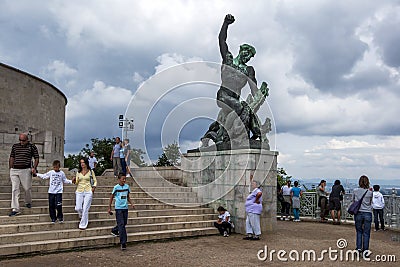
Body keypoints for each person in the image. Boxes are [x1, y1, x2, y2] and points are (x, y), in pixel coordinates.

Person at [201, 14, 268, 145]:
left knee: (230, 116)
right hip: (223, 96)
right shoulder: (228, 60)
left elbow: (255, 92)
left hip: (235, 100)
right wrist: (226, 23)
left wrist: (262, 94)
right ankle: (231, 138)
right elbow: (221, 40)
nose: (248, 57)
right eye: (247, 53)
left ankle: (209, 136)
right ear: (241, 50)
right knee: (239, 108)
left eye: (250, 56)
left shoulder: (249, 70)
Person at [8, 133, 39, 216]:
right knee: (15, 189)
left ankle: (28, 201)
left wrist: (34, 168)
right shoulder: (15, 146)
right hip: (14, 170)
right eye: (20, 140)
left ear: (27, 140)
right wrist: (11, 168)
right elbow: (12, 156)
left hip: (25, 170)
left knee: (27, 188)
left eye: (23, 140)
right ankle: (15, 208)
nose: (21, 142)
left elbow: (36, 157)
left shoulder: (32, 147)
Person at [108, 173, 135, 250]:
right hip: (118, 208)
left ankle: (114, 230)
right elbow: (111, 197)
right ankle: (123, 242)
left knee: (124, 223)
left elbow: (127, 196)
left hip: (125, 207)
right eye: (123, 179)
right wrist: (109, 208)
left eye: (125, 179)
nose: (124, 180)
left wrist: (132, 203)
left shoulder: (127, 187)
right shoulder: (116, 187)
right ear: (119, 179)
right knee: (121, 224)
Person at [73, 158, 97, 230]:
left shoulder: (91, 171)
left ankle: (83, 224)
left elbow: (95, 180)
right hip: (79, 190)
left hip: (88, 190)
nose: (82, 164)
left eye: (83, 162)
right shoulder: (78, 172)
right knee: (78, 208)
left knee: (85, 208)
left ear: (86, 163)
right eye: (81, 163)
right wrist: (74, 180)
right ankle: (81, 215)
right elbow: (77, 182)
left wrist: (93, 188)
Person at [352, 175, 373, 255]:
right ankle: (366, 251)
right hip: (367, 213)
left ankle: (358, 249)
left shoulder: (355, 190)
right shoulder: (370, 192)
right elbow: (371, 202)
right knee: (366, 233)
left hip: (358, 212)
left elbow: (353, 201)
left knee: (359, 231)